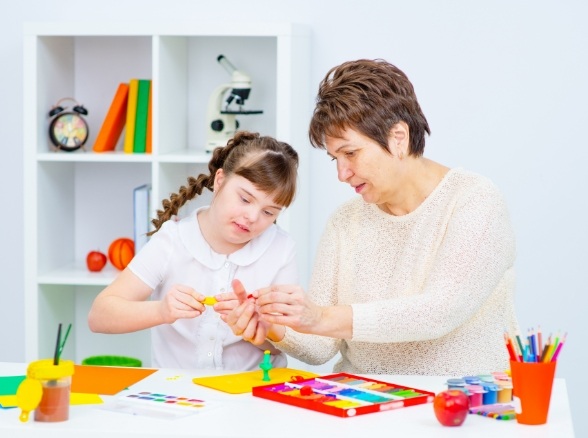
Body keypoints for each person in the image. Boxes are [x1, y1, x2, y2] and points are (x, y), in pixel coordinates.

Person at [224, 59, 520, 376]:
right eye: (335, 158)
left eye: (350, 153)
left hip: (464, 404)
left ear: (398, 137)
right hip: (363, 402)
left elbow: (440, 311)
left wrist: (321, 317)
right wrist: (274, 327)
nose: (342, 173)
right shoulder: (344, 221)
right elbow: (321, 346)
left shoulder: (474, 201)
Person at [88, 131, 299, 370]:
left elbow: (288, 344)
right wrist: (161, 310)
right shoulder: (173, 240)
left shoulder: (281, 249)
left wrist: (257, 328)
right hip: (176, 394)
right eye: (245, 199)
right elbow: (99, 316)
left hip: (251, 394)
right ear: (220, 181)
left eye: (269, 212)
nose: (252, 217)